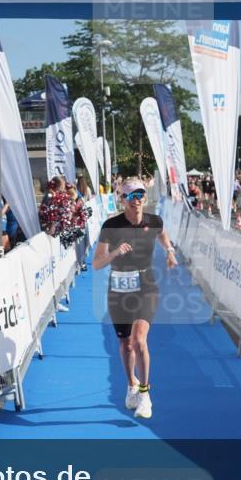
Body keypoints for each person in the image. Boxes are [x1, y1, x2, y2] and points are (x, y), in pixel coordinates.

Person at [92, 178, 178, 420]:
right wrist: (114, 252)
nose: (137, 199)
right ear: (123, 200)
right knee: (126, 344)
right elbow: (96, 263)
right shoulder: (111, 226)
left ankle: (145, 393)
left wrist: (170, 251)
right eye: (131, 196)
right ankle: (131, 384)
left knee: (139, 341)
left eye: (140, 194)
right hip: (119, 290)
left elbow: (163, 234)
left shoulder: (154, 221)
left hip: (146, 286)